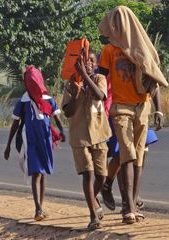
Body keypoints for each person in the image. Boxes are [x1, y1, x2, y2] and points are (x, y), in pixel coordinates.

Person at [98, 6, 168, 224]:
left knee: (138, 155)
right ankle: (128, 207)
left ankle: (133, 202)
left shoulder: (142, 46)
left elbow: (153, 77)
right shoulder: (109, 50)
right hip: (121, 109)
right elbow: (101, 76)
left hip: (142, 107)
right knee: (127, 153)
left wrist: (157, 109)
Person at [4, 65, 65, 221]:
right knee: (36, 172)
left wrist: (62, 131)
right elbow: (16, 124)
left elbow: (56, 117)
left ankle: (40, 207)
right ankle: (38, 208)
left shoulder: (48, 99)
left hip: (45, 139)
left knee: (42, 173)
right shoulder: (23, 102)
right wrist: (8, 145)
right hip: (29, 139)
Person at [62, 49, 112, 230]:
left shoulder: (99, 79)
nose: (88, 63)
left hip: (99, 135)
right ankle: (93, 215)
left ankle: (93, 200)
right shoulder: (71, 84)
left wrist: (84, 74)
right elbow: (68, 112)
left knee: (102, 176)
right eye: (85, 61)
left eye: (91, 61)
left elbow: (100, 96)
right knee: (88, 174)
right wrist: (75, 93)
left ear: (96, 64)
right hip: (80, 137)